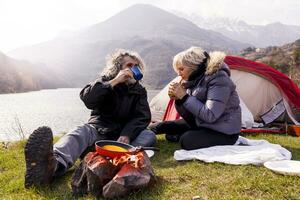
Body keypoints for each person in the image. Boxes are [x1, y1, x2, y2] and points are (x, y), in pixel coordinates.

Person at [24, 49, 156, 188]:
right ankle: (51, 165)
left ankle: (120, 161)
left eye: (136, 66)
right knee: (80, 131)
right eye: (129, 65)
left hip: (123, 140)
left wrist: (127, 134)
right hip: (99, 132)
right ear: (118, 68)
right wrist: (114, 81)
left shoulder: (139, 90)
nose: (133, 69)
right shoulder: (105, 82)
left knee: (148, 134)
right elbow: (88, 99)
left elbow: (142, 117)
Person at [149, 46, 241, 150]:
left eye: (181, 69)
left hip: (223, 131)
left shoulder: (219, 79)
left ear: (193, 66)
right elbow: (190, 113)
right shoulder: (194, 80)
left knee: (186, 140)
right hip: (200, 123)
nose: (179, 74)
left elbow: (210, 115)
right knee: (158, 127)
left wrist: (184, 97)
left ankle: (184, 135)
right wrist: (178, 99)